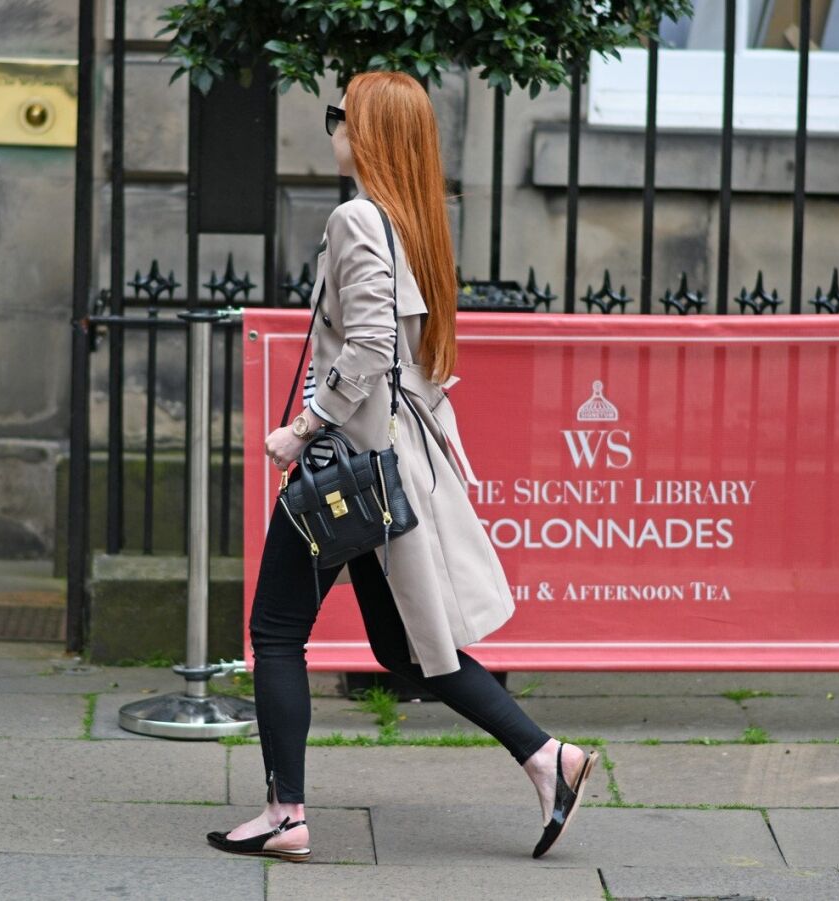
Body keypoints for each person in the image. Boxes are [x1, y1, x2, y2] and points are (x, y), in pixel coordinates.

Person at [206, 71, 598, 863]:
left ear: (369, 133)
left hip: (344, 464)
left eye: (338, 116)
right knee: (408, 648)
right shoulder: (410, 221)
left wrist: (302, 428)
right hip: (387, 466)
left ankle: (286, 814)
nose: (332, 127)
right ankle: (546, 756)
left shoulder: (358, 217)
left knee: (277, 633)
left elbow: (372, 348)